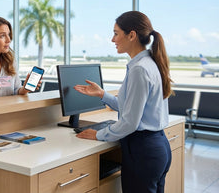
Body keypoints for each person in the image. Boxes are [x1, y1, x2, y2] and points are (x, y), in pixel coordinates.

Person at [74, 11, 172, 193]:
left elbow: (130, 122)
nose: (113, 39)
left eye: (116, 33)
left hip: (143, 151)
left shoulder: (139, 69)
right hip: (157, 147)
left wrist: (98, 134)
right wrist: (102, 94)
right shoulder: (149, 62)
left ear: (132, 35)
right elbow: (133, 108)